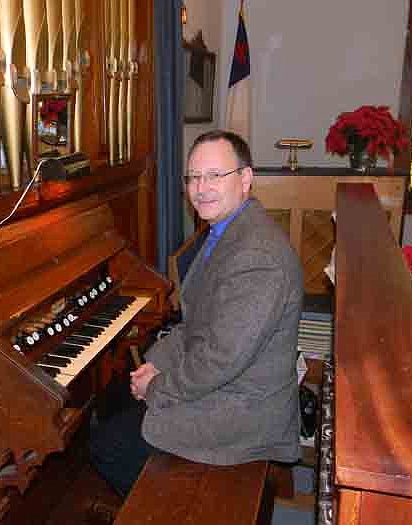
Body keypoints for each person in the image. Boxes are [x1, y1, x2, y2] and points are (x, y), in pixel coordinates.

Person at [89, 129, 303, 506]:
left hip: (244, 411)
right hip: (224, 381)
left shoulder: (258, 257)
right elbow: (196, 325)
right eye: (193, 177)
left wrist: (157, 387)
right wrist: (154, 365)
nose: (201, 188)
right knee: (113, 401)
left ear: (245, 178)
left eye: (214, 175)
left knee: (108, 444)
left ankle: (172, 508)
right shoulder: (226, 230)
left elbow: (220, 360)